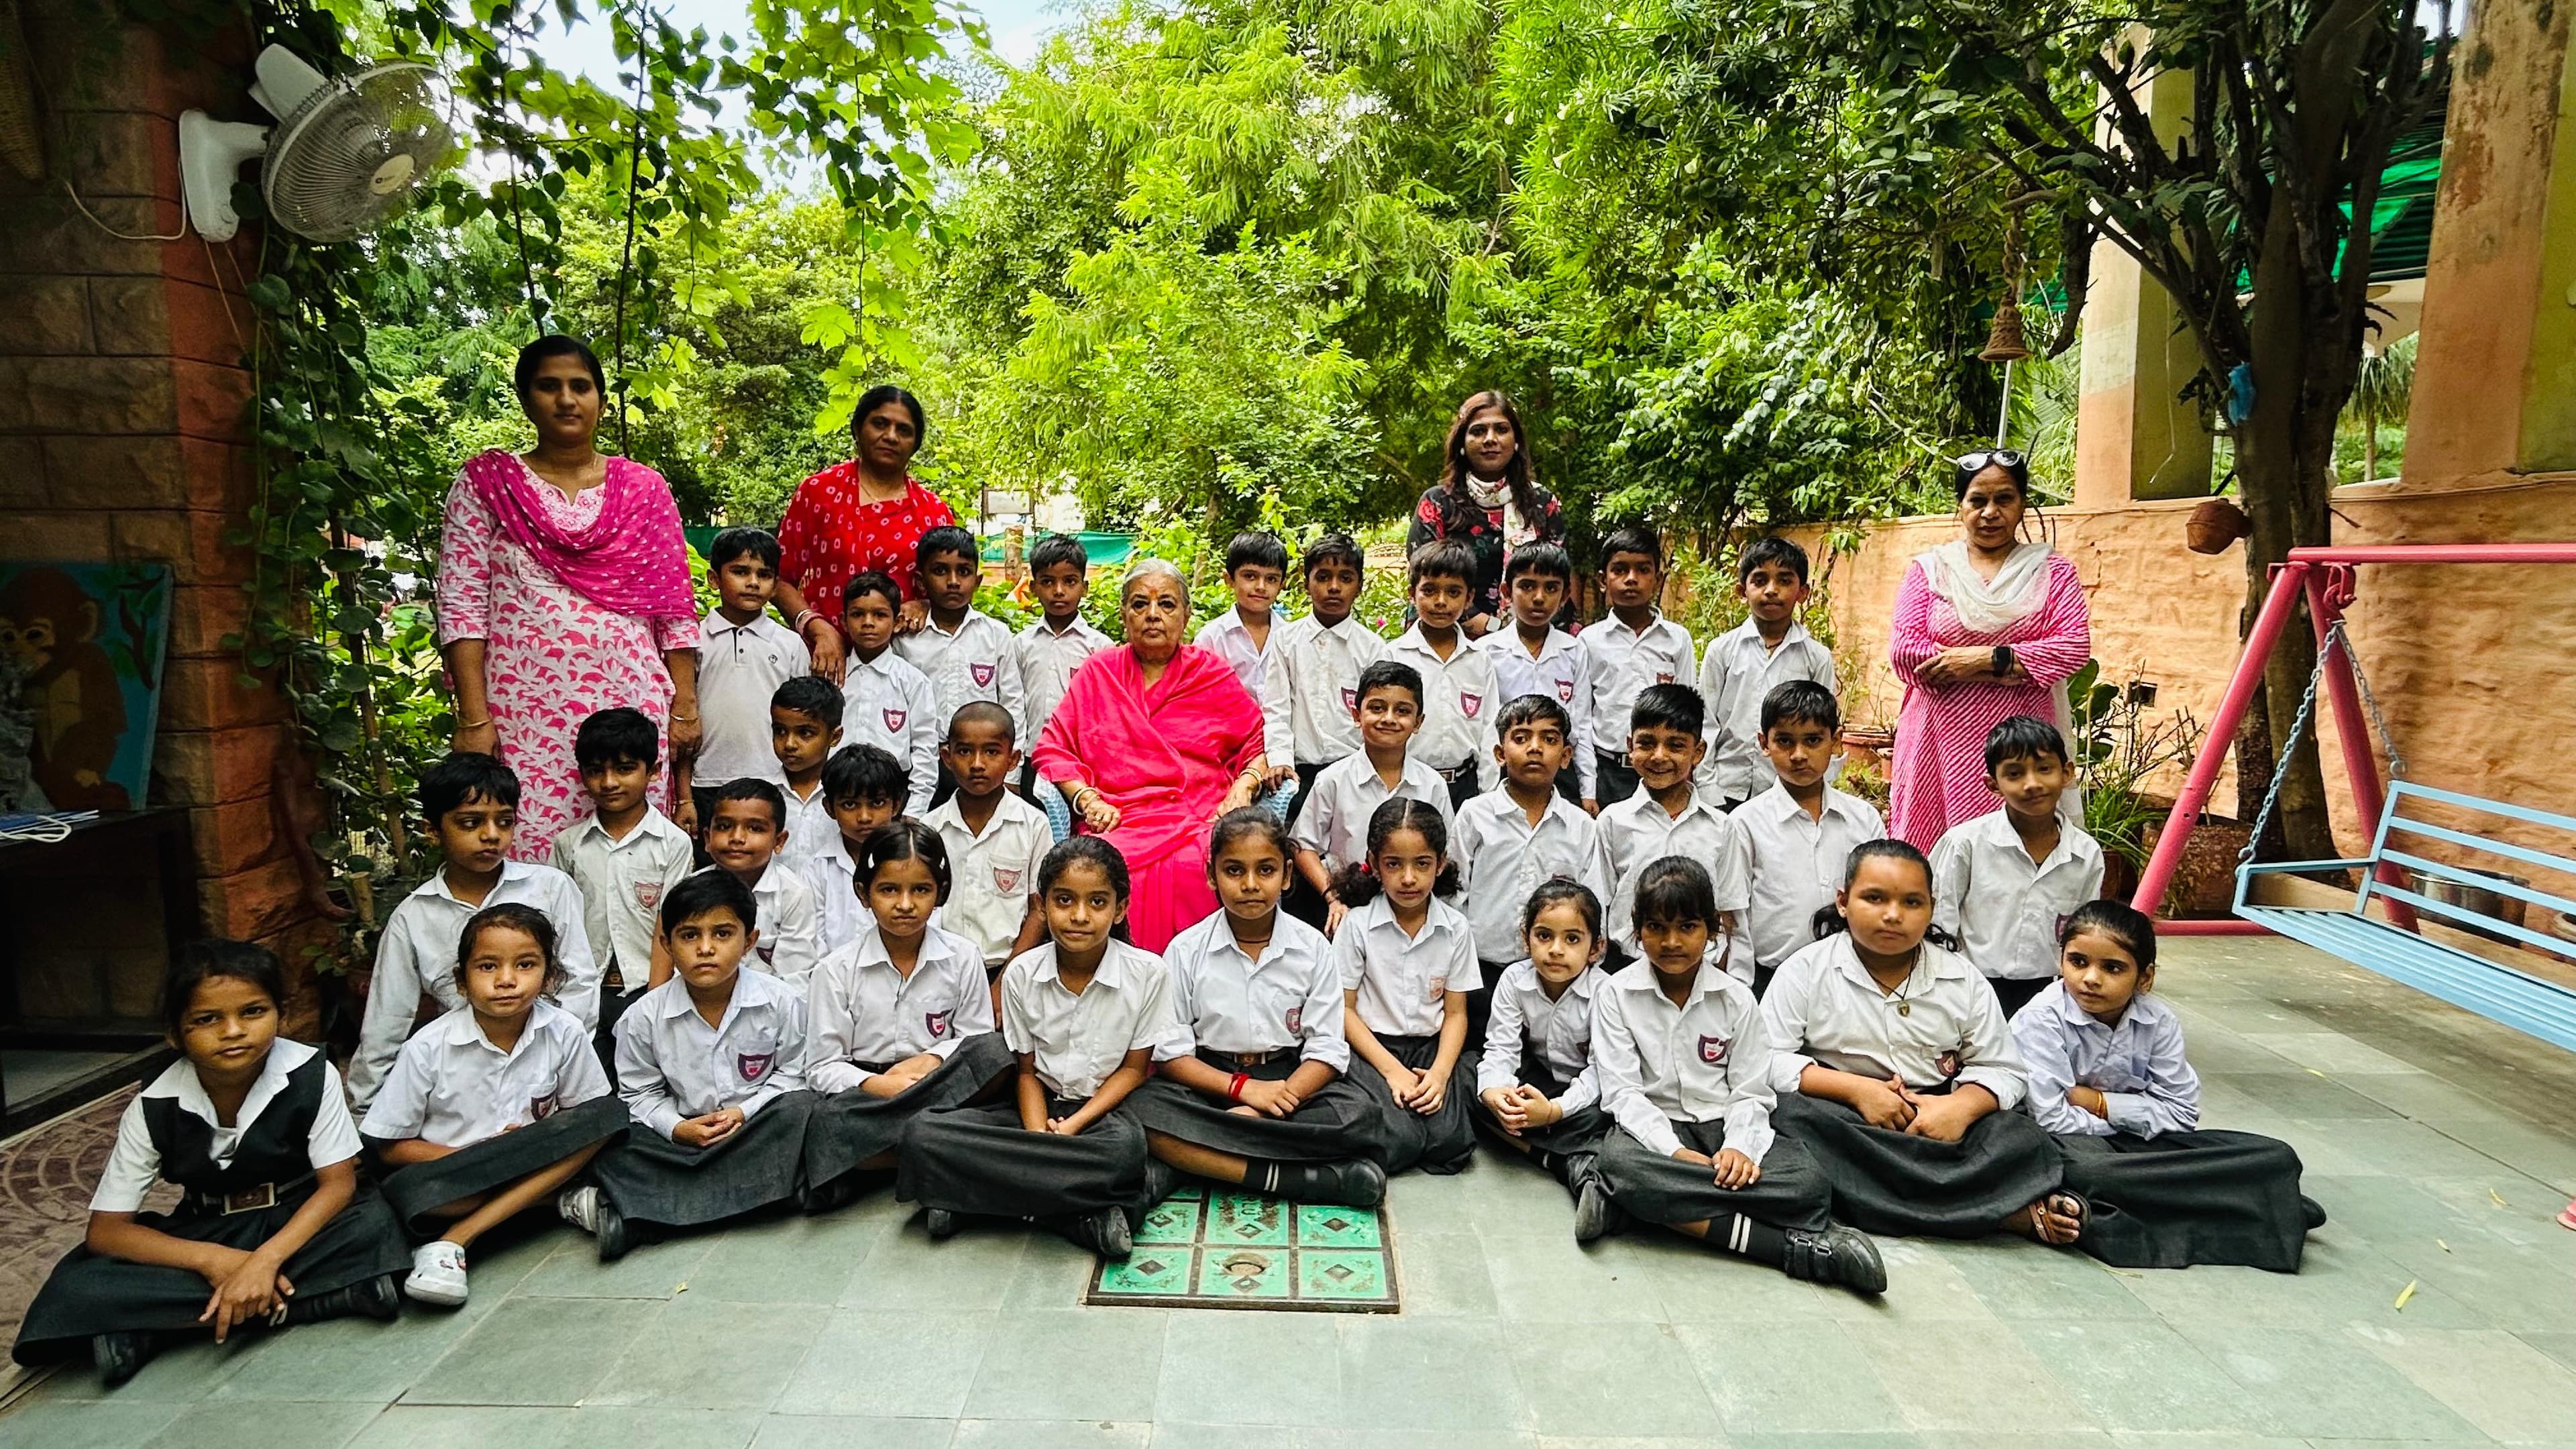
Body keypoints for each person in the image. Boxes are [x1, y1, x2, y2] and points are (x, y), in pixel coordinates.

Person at [13, 941, 409, 1385]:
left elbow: (337, 1186)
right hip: (211, 1226)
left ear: (281, 1013)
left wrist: (264, 1262)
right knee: (78, 1285)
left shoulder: (312, 1074)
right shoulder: (154, 1103)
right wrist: (215, 1261)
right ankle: (327, 1298)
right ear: (174, 1034)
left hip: (300, 1218)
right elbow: (107, 1230)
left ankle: (157, 1329)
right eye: (207, 1019)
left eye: (253, 1012)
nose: (234, 1031)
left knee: (372, 1225)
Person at [437, 335, 700, 860]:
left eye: (580, 387)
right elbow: (462, 607)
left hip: (630, 702)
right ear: (525, 397)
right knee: (530, 854)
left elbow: (673, 608)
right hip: (521, 713)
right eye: (549, 386)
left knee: (635, 859)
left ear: (601, 402)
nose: (565, 400)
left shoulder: (643, 489)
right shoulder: (488, 485)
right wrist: (474, 717)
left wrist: (686, 705)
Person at [1587, 861, 1887, 1293]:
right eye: (1656, 927)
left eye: (1687, 926)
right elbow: (1623, 1094)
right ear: (1636, 930)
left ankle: (1638, 1205)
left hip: (1722, 1124)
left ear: (1712, 930)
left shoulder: (1736, 999)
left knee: (1808, 1183)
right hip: (1655, 1131)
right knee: (1624, 1166)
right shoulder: (1615, 995)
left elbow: (1750, 1091)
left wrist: (1739, 1149)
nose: (1672, 942)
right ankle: (1791, 1248)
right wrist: (1672, 1153)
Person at [1761, 841, 2073, 1242]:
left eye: (1912, 903)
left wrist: (1959, 1108)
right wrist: (1857, 1091)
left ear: (1931, 907)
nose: (1893, 916)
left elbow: (2003, 1069)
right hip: (1848, 1123)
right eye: (1874, 898)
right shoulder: (1805, 970)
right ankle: (1992, 1213)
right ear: (1843, 901)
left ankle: (1880, 1205)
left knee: (2021, 1137)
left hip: (1936, 1122)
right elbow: (1765, 1058)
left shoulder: (1962, 979)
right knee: (1786, 1117)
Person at [898, 837, 1177, 1258]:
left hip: (1100, 1114)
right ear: (1042, 905)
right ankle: (1086, 1215)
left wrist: (1072, 1128)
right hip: (1034, 1109)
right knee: (923, 1134)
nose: (1079, 916)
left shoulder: (1148, 973)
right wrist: (1039, 1139)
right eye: (1064, 900)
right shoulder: (1021, 974)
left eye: (1097, 902)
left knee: (1124, 1153)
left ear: (1120, 908)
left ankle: (976, 1202)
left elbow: (1134, 1070)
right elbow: (1026, 1073)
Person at [2012, 901, 2322, 1271]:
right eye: (2078, 962)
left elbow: (2181, 1114)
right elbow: (2051, 1120)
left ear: (2145, 978)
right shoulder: (2040, 1020)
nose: (2091, 978)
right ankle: (2256, 1199)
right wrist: (2138, 1114)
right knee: (2094, 1172)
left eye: (2112, 968)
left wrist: (2099, 1103)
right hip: (2066, 1148)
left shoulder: (2158, 1022)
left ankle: (2236, 1193)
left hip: (2139, 1148)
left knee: (2276, 1153)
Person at [363, 905, 626, 1307]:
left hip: (534, 1157)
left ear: (549, 976)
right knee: (409, 1195)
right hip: (459, 1173)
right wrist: (477, 1156)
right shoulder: (428, 1048)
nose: (506, 981)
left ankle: (456, 1239)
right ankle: (554, 1201)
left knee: (611, 1116)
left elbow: (586, 1116)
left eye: (525, 965)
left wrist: (533, 1142)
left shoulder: (563, 1031)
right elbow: (390, 1147)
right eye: (488, 967)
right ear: (461, 980)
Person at [1129, 810, 1387, 1205]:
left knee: (1359, 1115)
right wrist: (1244, 1091)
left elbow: (1327, 1049)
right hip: (1211, 1080)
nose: (1250, 885)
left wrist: (1270, 1106)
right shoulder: (1185, 949)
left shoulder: (1313, 947)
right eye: (1234, 871)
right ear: (1212, 875)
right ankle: (1290, 1179)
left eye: (1265, 871)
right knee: (1140, 1110)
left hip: (1288, 1078)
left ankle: (1185, 1162)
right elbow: (1171, 1054)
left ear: (1286, 876)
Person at [569, 871, 816, 1260]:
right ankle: (771, 1196)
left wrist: (742, 1112)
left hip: (755, 1130)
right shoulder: (643, 1018)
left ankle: (647, 1217)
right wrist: (678, 1128)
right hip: (682, 1144)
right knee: (613, 1140)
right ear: (667, 944)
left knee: (803, 1111)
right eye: (689, 936)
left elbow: (793, 1075)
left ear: (749, 940)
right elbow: (638, 1094)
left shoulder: (782, 1002)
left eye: (722, 934)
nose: (705, 948)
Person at [1032, 557, 1277, 951]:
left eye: (1166, 604)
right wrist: (1087, 799)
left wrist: (1243, 787)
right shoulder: (1100, 672)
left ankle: (1192, 977)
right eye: (1140, 604)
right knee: (1110, 863)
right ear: (1124, 615)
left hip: (1195, 811)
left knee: (1196, 863)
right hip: (1117, 814)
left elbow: (1257, 742)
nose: (1153, 616)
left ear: (1186, 615)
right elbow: (1054, 746)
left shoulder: (1210, 673)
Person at [351, 753, 598, 1113]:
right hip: (458, 1074)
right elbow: (386, 1021)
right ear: (432, 830)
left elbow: (579, 985)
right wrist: (365, 1112)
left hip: (548, 1061)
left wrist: (563, 1062)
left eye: (505, 821)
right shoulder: (415, 916)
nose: (491, 836)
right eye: (471, 823)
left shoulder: (550, 888)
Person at [801, 822, 1015, 1214]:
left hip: (943, 1089)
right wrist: (882, 1085)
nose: (904, 904)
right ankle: (948, 1163)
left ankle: (900, 1162)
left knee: (998, 1052)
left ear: (941, 893)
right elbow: (821, 1066)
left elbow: (976, 1040)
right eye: (889, 890)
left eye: (921, 890)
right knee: (822, 1124)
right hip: (872, 1096)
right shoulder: (835, 970)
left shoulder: (963, 956)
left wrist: (933, 1060)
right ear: (864, 893)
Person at [1889, 449, 2092, 849]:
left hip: (2021, 743)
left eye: (2004, 499)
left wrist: (1985, 659)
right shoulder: (1931, 570)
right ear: (1960, 506)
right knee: (1928, 853)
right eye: (1977, 500)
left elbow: (2072, 646)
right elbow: (1905, 649)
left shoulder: (2052, 572)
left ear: (2022, 505)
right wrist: (2012, 666)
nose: (1990, 512)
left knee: (2009, 855)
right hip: (1936, 738)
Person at [773, 384, 959, 681]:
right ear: (858, 429)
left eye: (904, 430)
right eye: (880, 424)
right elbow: (779, 578)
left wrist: (924, 605)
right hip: (824, 662)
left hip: (906, 668)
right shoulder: (820, 493)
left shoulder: (933, 512)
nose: (891, 436)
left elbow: (953, 589)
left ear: (915, 443)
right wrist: (818, 628)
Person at [1334, 797, 1479, 1177]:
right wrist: (1392, 1071)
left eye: (1422, 864)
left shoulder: (1455, 928)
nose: (1409, 878)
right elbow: (1344, 1011)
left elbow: (1456, 1013)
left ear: (1441, 863)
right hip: (1370, 1048)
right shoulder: (1357, 926)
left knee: (1452, 1146)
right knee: (1400, 1141)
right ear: (1375, 863)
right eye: (1394, 864)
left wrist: (1440, 1074)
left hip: (1430, 1048)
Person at [1932, 716, 2106, 1018]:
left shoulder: (2085, 854)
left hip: (2047, 993)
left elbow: (2084, 931)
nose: (2032, 784)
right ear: (1993, 784)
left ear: (2066, 773)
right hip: (1969, 987)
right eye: (2014, 774)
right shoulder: (1965, 844)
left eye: (2044, 769)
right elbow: (1939, 921)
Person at [550, 708, 695, 1063]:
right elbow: (557, 922)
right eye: (596, 771)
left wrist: (657, 998)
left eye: (625, 769)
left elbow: (670, 921)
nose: (610, 782)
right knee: (592, 1080)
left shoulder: (673, 843)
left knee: (648, 1076)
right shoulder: (569, 845)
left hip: (647, 986)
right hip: (584, 990)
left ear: (654, 771)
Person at [1735, 681, 1885, 992]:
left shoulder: (1863, 818)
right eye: (1785, 741)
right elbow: (1735, 915)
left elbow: (1877, 896)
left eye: (1814, 740)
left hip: (1849, 977)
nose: (1799, 755)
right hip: (1769, 979)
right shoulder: (1745, 824)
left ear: (1836, 741)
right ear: (1765, 743)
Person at [1473, 879, 1611, 1201]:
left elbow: (1601, 1074)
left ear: (1596, 948)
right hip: (1542, 1081)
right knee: (1470, 1079)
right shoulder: (1514, 979)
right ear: (1526, 938)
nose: (1556, 949)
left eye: (1573, 939)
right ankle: (1571, 1159)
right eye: (1544, 936)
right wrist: (1496, 1093)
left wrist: (1553, 1112)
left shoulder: (1607, 993)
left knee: (1607, 1117)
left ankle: (1548, 1154)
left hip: (1585, 1095)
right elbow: (1501, 1049)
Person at [1293, 660, 1453, 938]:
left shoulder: (1432, 785)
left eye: (1402, 711)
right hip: (1349, 910)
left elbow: (1445, 853)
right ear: (1357, 715)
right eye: (1377, 708)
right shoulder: (1333, 780)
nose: (1389, 718)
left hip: (1413, 911)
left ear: (1418, 722)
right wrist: (1333, 897)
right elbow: (1303, 845)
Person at [1453, 694, 1606, 983]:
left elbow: (1593, 904)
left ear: (1565, 757)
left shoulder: (1581, 826)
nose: (1535, 748)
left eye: (1549, 740)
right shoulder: (1475, 815)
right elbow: (1454, 896)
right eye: (1521, 738)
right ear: (1500, 754)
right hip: (1480, 970)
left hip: (1556, 975)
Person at [1592, 685, 1750, 957]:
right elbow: (1599, 905)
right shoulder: (1612, 822)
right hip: (1626, 966)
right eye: (1647, 743)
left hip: (1699, 969)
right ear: (1630, 746)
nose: (1659, 756)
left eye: (1676, 745)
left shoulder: (1721, 828)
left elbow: (1727, 912)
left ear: (1698, 752)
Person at [1406, 390, 1565, 637]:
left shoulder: (1543, 504)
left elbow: (1557, 575)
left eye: (1501, 430)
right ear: (1462, 443)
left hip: (1530, 639)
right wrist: (1493, 630)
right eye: (1478, 431)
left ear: (1516, 442)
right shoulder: (1437, 503)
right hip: (1448, 637)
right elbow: (1425, 579)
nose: (1490, 439)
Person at [1696, 537, 1836, 810]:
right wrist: (1707, 787)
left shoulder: (1816, 657)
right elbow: (1705, 723)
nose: (1772, 590)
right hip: (1725, 788)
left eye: (1784, 581)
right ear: (1742, 590)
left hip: (1787, 790)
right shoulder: (1722, 650)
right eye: (1760, 581)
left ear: (1803, 592)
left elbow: (1823, 727)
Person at [1259, 532, 1383, 830]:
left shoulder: (1373, 648)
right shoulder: (1286, 641)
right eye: (1323, 577)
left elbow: (1376, 715)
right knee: (1296, 849)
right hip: (1299, 774)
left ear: (1360, 587)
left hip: (1354, 774)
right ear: (1306, 584)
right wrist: (1281, 761)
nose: (1334, 587)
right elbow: (1276, 708)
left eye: (1345, 578)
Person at [690, 526, 808, 828]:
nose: (753, 583)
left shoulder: (790, 644)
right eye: (740, 572)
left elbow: (805, 719)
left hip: (774, 780)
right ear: (714, 579)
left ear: (775, 584)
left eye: (764, 575)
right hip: (707, 780)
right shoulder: (694, 641)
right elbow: (683, 719)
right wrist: (682, 797)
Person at [924, 702, 1053, 974]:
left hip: (1009, 967)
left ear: (1013, 759)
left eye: (992, 752)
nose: (977, 764)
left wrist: (1005, 981)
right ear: (947, 758)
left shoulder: (1033, 825)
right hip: (940, 968)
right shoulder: (931, 827)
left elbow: (1039, 910)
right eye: (965, 752)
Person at [899, 525, 1025, 794]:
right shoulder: (906, 638)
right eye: (941, 571)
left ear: (977, 581)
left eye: (964, 572)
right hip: (921, 763)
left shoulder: (995, 636)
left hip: (982, 764)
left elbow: (1013, 703)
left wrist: (1013, 775)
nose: (954, 581)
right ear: (921, 581)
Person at [1581, 527, 1698, 809]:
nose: (1631, 579)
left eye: (1643, 570)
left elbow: (1690, 712)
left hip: (1664, 768)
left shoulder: (1676, 639)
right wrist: (1589, 786)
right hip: (1609, 771)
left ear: (1658, 579)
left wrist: (1689, 776)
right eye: (1620, 570)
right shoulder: (1589, 641)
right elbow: (1583, 717)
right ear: (1602, 580)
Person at [672, 780, 822, 989]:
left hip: (771, 1011)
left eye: (754, 828)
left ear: (779, 841)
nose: (737, 838)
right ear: (707, 838)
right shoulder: (690, 891)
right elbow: (682, 965)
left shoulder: (793, 894)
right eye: (724, 827)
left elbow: (794, 978)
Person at [1386, 541, 1501, 812]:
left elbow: (1489, 730)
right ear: (1412, 594)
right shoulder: (1393, 656)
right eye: (1429, 591)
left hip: (1466, 786)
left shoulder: (1479, 659)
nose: (1441, 602)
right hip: (1410, 785)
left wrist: (1487, 795)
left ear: (1469, 598)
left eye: (1453, 592)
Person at [1476, 544, 1593, 804]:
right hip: (1505, 768)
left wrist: (1588, 790)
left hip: (1559, 771)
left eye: (1551, 588)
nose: (1539, 597)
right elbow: (1484, 727)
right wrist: (1486, 789)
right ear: (1507, 592)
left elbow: (1582, 723)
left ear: (1565, 596)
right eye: (1527, 586)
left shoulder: (1573, 650)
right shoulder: (1487, 651)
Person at [1015, 533, 1112, 815]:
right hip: (1032, 758)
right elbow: (1015, 705)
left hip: (1080, 762)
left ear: (1085, 587)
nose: (1059, 591)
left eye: (1069, 581)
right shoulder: (1022, 644)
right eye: (1048, 582)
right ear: (1033, 587)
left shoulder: (1099, 647)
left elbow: (1104, 711)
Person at [835, 569, 941, 815]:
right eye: (858, 614)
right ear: (843, 621)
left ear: (896, 622)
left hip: (894, 797)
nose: (868, 623)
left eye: (880, 615)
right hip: (838, 794)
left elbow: (925, 750)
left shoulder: (913, 682)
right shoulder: (834, 678)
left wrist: (914, 812)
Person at [806, 744, 910, 953]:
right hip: (835, 981)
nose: (864, 817)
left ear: (896, 805)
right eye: (850, 805)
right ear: (829, 808)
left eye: (877, 803)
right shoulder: (817, 869)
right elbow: (812, 942)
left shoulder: (914, 862)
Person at [1193, 531, 1290, 699]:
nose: (1261, 586)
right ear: (1229, 579)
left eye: (1271, 579)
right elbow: (1197, 694)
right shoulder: (1212, 639)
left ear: (1282, 584)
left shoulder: (1290, 638)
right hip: (1225, 723)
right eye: (1250, 576)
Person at [769, 676, 845, 875]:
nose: (790, 744)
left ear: (835, 736)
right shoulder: (763, 796)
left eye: (805, 733)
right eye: (780, 731)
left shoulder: (846, 798)